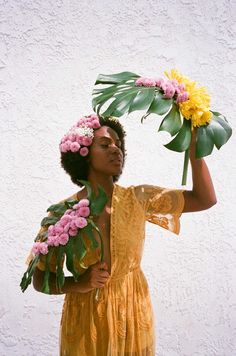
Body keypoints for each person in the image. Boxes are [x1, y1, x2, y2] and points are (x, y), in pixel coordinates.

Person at [32, 114, 217, 356]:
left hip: (132, 311)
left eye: (119, 144)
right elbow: (39, 280)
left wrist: (195, 149)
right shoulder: (62, 215)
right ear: (83, 152)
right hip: (86, 321)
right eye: (105, 144)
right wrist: (80, 283)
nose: (116, 150)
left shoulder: (138, 198)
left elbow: (205, 199)